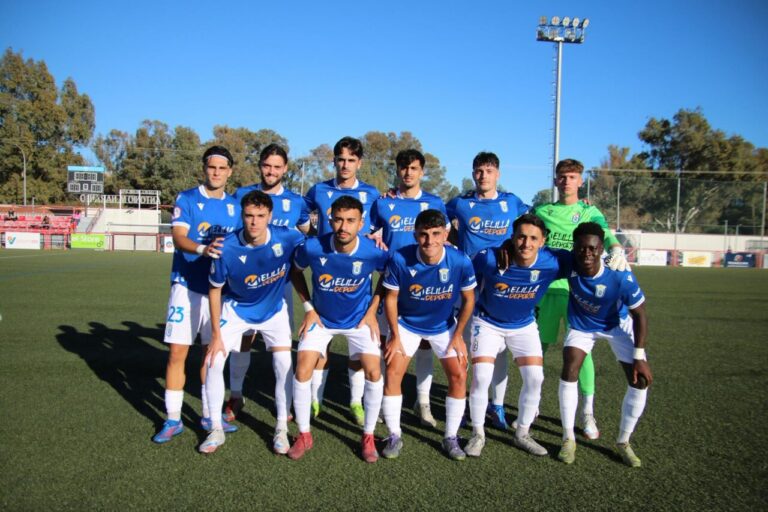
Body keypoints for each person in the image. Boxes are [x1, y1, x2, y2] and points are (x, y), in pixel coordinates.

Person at [199, 190, 305, 454]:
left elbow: (319, 246)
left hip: (273, 311)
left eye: (260, 216)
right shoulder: (226, 247)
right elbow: (214, 290)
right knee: (213, 361)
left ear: (270, 216)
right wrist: (215, 334)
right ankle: (215, 429)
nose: (254, 222)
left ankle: (281, 428)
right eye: (249, 216)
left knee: (284, 363)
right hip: (236, 310)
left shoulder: (289, 238)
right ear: (242, 216)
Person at [531, 158, 629, 439]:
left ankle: (587, 414)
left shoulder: (589, 211)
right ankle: (533, 405)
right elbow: (525, 231)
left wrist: (616, 248)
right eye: (562, 176)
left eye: (572, 177)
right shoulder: (542, 210)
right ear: (555, 180)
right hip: (547, 291)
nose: (566, 181)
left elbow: (605, 233)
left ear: (580, 181)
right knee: (538, 349)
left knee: (580, 353)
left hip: (579, 293)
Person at [287, 196, 388, 462]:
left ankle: (368, 436)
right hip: (321, 320)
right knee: (302, 368)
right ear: (330, 220)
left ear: (361, 223)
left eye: (351, 221)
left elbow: (388, 276)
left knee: (374, 370)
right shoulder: (312, 247)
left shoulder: (372, 250)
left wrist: (372, 311)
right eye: (339, 219)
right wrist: (308, 308)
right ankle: (304, 433)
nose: (344, 226)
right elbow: (295, 272)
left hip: (359, 322)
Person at [153, 146, 241, 444]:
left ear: (230, 171)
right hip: (187, 286)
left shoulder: (235, 206)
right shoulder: (187, 198)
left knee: (211, 355)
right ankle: (173, 418)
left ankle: (209, 415)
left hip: (218, 291)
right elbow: (178, 237)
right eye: (211, 167)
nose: (216, 172)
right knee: (178, 352)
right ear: (204, 168)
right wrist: (203, 249)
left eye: (221, 168)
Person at [465, 214, 570, 458]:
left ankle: (522, 433)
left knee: (535, 378)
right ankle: (478, 433)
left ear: (543, 241)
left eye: (534, 238)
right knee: (481, 377)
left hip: (523, 325)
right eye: (521, 237)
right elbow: (464, 277)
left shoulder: (552, 262)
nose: (526, 243)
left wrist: (613, 257)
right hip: (487, 322)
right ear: (512, 237)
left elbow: (588, 260)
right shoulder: (490, 258)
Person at [223, 144, 311, 422]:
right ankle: (236, 395)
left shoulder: (297, 202)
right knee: (243, 341)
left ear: (285, 168)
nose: (271, 171)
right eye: (266, 165)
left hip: (279, 285)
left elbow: (310, 235)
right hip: (245, 284)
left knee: (281, 348)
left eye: (277, 166)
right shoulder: (241, 196)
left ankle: (283, 404)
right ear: (259, 166)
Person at [379, 209, 476, 461]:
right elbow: (390, 298)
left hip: (444, 326)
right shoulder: (400, 259)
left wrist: (458, 335)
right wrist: (395, 335)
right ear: (415, 235)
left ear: (445, 234)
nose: (429, 241)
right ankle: (394, 434)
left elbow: (468, 299)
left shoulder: (460, 261)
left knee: (459, 374)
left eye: (435, 234)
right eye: (423, 235)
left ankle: (451, 437)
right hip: (407, 324)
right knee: (393, 372)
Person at [446, 151, 529, 429]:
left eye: (489, 171)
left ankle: (497, 405)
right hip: (469, 282)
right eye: (479, 171)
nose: (484, 176)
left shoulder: (512, 202)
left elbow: (537, 223)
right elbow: (435, 216)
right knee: (470, 346)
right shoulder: (460, 202)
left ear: (498, 174)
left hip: (502, 283)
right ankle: (472, 401)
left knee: (500, 348)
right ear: (473, 174)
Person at [557, 222, 651, 467]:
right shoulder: (568, 262)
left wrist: (639, 356)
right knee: (569, 368)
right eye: (581, 248)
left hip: (617, 325)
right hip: (582, 326)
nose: (586, 254)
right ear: (574, 247)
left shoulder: (619, 273)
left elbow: (639, 314)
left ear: (601, 250)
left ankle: (624, 442)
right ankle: (568, 439)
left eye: (593, 248)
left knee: (639, 380)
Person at [303, 136, 380, 425]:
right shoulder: (318, 190)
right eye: (340, 159)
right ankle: (314, 400)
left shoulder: (373, 194)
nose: (345, 165)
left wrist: (377, 235)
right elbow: (302, 216)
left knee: (357, 348)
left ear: (359, 163)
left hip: (358, 275)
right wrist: (310, 235)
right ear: (333, 161)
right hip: (326, 272)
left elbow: (380, 225)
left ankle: (354, 402)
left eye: (351, 160)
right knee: (321, 345)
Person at [369, 149, 448, 428]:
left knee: (425, 343)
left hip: (424, 284)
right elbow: (369, 234)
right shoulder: (382, 203)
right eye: (403, 167)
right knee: (385, 343)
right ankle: (380, 401)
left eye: (414, 168)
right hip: (391, 281)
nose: (408, 172)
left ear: (422, 171)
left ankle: (422, 402)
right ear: (398, 170)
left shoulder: (435, 202)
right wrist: (376, 242)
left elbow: (444, 240)